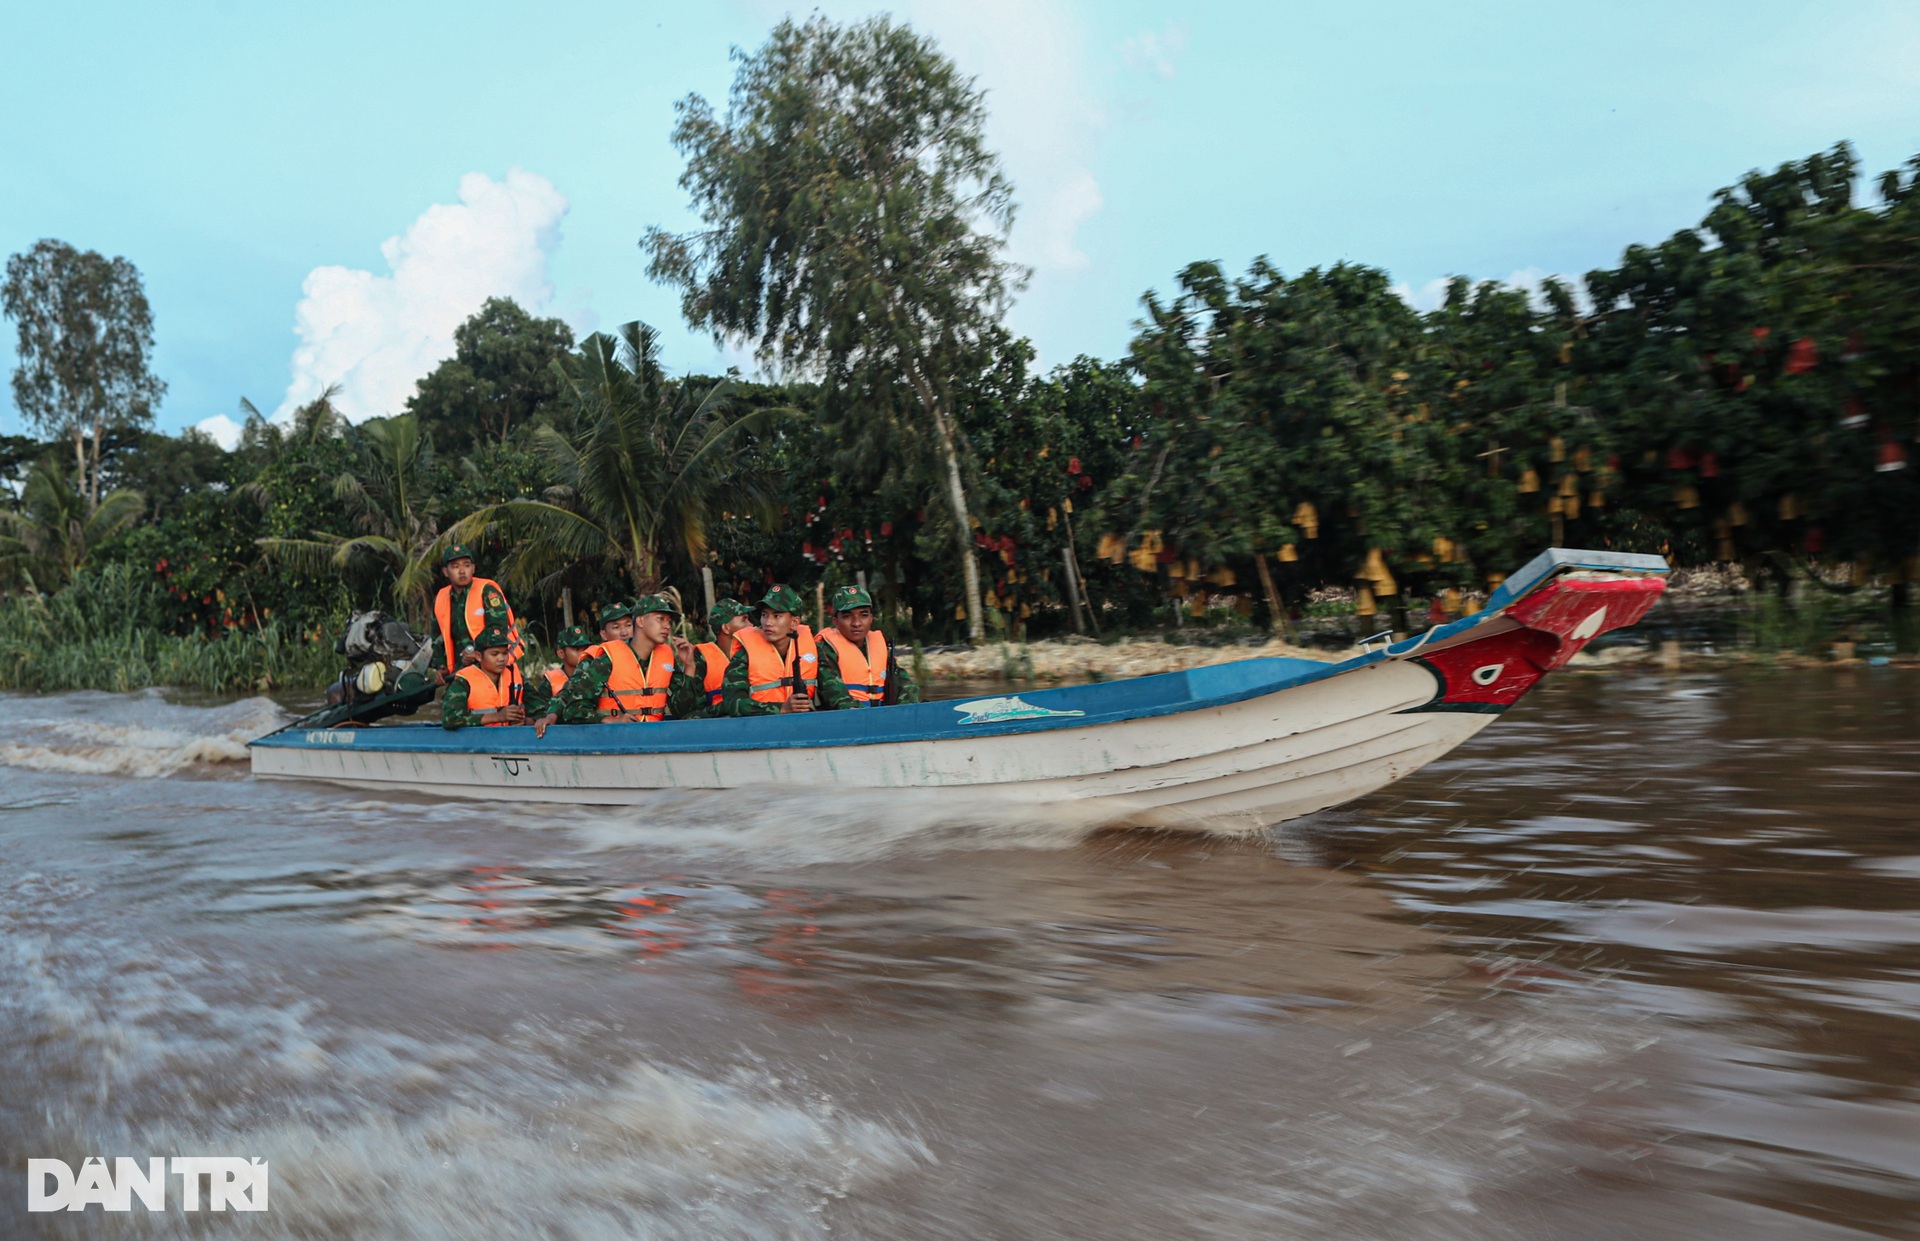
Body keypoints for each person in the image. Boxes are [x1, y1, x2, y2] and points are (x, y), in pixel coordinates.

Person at [540, 594, 704, 727]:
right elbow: (572, 705)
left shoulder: (666, 656)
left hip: (654, 738)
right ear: (640, 621)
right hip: (614, 740)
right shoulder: (605, 659)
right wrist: (609, 720)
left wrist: (690, 667)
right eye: (660, 619)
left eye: (669, 620)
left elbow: (682, 710)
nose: (667, 625)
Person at [721, 585, 819, 716]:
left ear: (794, 622)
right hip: (762, 729)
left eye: (777, 616)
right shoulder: (745, 655)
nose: (768, 622)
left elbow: (834, 693)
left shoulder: (816, 649)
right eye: (764, 615)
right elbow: (733, 703)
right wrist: (781, 709)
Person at [816, 585, 919, 709]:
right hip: (848, 718)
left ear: (871, 618)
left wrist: (904, 709)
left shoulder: (880, 645)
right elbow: (834, 693)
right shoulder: (826, 649)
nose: (856, 623)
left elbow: (905, 683)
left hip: (883, 714)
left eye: (863, 615)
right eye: (847, 616)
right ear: (835, 621)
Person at [431, 544, 520, 681]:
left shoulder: (487, 590)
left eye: (466, 565)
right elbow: (437, 638)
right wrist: (442, 666)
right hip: (459, 671)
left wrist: (476, 653)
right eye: (455, 567)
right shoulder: (441, 598)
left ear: (473, 568)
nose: (462, 571)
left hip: (491, 667)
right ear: (445, 572)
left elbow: (497, 628)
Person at [441, 626, 526, 728]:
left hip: (512, 739)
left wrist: (524, 722)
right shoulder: (463, 682)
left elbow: (540, 711)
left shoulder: (516, 675)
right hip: (478, 740)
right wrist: (497, 717)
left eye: (505, 653)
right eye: (494, 654)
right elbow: (450, 719)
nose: (501, 659)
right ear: (478, 656)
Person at [690, 599, 754, 716]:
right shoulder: (702, 658)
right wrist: (732, 706)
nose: (751, 625)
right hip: (719, 727)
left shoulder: (756, 652)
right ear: (726, 628)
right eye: (744, 619)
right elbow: (695, 710)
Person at [525, 625, 595, 720]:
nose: (583, 653)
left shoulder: (595, 675)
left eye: (585, 649)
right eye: (577, 649)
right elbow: (541, 713)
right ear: (561, 653)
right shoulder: (549, 682)